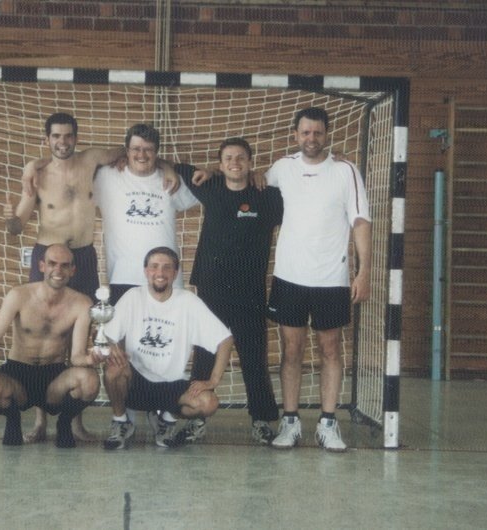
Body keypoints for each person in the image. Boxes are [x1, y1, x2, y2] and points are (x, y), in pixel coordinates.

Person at [3, 113, 179, 441]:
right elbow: (18, 223)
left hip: (82, 257)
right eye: (56, 136)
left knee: (81, 337)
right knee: (44, 331)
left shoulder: (92, 160)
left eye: (68, 135)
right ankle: (40, 421)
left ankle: (74, 421)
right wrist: (10, 219)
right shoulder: (38, 175)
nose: (62, 142)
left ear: (76, 137)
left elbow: (135, 151)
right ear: (47, 139)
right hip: (48, 255)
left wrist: (167, 166)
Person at [265, 107, 372, 452]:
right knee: (291, 350)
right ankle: (290, 421)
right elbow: (249, 186)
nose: (311, 138)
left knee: (330, 349)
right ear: (295, 134)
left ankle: (328, 423)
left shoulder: (345, 170)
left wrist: (364, 270)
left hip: (331, 278)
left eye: (318, 133)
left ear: (327, 135)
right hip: (289, 277)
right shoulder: (281, 168)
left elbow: (360, 221)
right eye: (305, 132)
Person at [184, 137, 282, 445]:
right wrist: (210, 170)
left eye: (241, 157)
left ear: (251, 162)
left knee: (254, 357)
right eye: (228, 158)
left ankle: (262, 421)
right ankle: (195, 418)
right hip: (211, 286)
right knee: (204, 354)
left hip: (249, 289)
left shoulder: (267, 196)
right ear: (221, 163)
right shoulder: (210, 186)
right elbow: (176, 167)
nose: (235, 162)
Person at [100, 246, 233, 450]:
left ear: (175, 273)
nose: (160, 272)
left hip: (172, 385)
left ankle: (166, 420)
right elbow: (106, 333)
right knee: (113, 368)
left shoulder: (188, 301)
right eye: (154, 266)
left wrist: (213, 380)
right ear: (146, 271)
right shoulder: (133, 296)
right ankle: (120, 421)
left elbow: (225, 339)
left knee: (209, 403)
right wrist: (111, 346)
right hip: (137, 381)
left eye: (166, 267)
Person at [0, 244, 102, 448]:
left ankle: (64, 423)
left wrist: (90, 358)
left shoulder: (82, 303)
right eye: (52, 263)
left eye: (64, 265)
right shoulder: (19, 295)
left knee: (90, 381)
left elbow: (76, 356)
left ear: (72, 270)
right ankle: (13, 418)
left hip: (53, 378)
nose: (58, 270)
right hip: (18, 374)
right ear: (42, 266)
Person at [92, 123, 200, 306]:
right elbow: (75, 169)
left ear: (157, 153)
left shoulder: (172, 180)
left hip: (165, 277)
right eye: (136, 149)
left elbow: (214, 184)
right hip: (123, 276)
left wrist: (167, 166)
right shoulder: (106, 177)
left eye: (148, 149)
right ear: (126, 151)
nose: (141, 155)